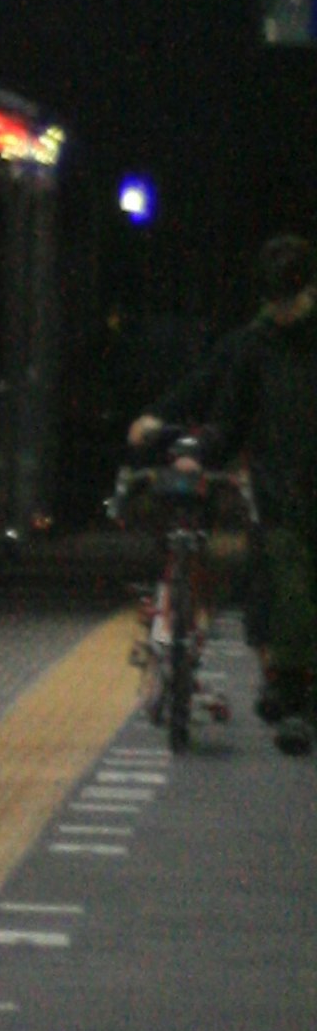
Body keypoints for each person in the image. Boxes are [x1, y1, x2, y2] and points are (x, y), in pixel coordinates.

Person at [130, 234, 317, 748]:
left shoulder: (264, 341)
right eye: (276, 302)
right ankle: (296, 700)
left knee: (292, 593)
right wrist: (199, 451)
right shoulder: (255, 345)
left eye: (291, 301)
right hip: (282, 496)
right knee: (291, 590)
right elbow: (229, 417)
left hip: (290, 489)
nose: (283, 312)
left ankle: (292, 692)